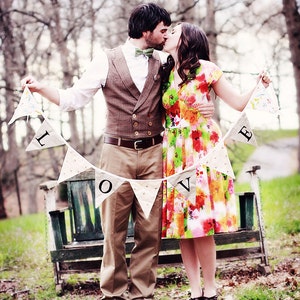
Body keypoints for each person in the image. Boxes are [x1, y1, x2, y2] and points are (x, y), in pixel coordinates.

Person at [20, 4, 215, 299]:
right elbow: (73, 99)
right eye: (162, 29)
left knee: (150, 231)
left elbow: (194, 84)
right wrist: (41, 88)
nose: (166, 34)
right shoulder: (105, 60)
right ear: (145, 30)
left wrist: (207, 106)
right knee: (113, 228)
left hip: (154, 152)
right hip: (115, 152)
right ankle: (112, 292)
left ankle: (142, 292)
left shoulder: (166, 60)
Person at [160, 22, 271, 300]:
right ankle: (195, 291)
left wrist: (258, 85)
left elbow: (238, 102)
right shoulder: (163, 73)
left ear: (187, 39)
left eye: (173, 31)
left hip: (202, 149)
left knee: (200, 222)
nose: (167, 34)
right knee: (183, 227)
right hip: (174, 153)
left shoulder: (206, 69)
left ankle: (210, 290)